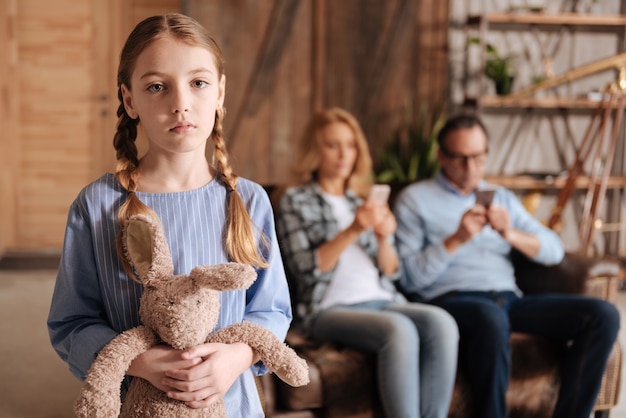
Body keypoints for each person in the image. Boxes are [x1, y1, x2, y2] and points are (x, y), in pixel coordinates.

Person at [47, 14, 292, 417]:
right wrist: (140, 361)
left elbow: (272, 309)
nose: (181, 103)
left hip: (231, 405)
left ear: (219, 92)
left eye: (198, 83)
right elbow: (71, 323)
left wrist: (236, 358)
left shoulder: (248, 200)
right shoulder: (96, 206)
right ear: (129, 100)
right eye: (157, 87)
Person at [393, 113, 621, 418]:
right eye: (460, 158)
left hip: (509, 300)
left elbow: (554, 251)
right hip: (451, 301)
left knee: (602, 314)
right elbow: (409, 278)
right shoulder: (414, 200)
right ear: (441, 156)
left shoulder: (501, 198)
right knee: (489, 317)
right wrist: (457, 239)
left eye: (477, 157)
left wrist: (509, 232)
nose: (470, 168)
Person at [275, 107, 459, 418]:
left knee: (442, 323)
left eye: (350, 145)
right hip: (328, 308)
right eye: (332, 145)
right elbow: (306, 269)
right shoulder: (294, 200)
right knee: (399, 331)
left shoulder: (362, 201)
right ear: (314, 151)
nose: (343, 154)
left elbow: (392, 271)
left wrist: (385, 237)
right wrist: (354, 229)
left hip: (382, 299)